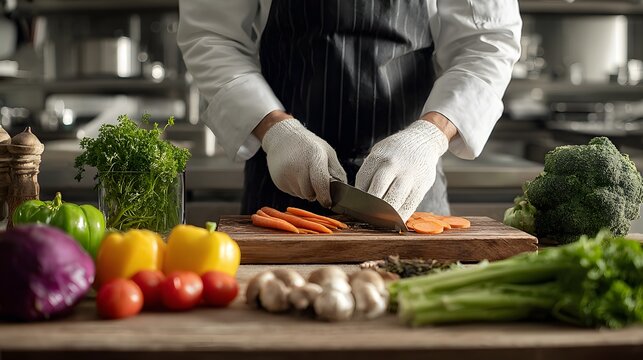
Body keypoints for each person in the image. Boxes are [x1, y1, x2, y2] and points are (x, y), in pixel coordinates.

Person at [177, 0, 521, 221]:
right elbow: (210, 36)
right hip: (281, 188)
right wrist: (274, 129)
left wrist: (429, 136)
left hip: (410, 185)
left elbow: (487, 43)